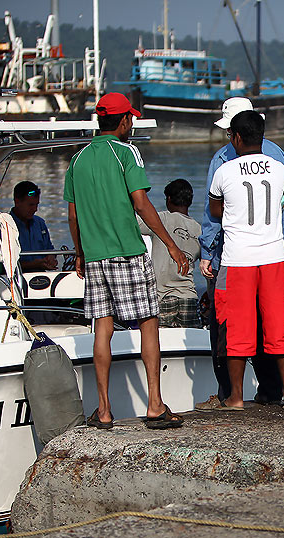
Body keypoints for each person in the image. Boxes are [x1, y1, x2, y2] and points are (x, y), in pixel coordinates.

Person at [64, 92, 189, 429]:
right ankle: (154, 405)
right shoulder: (127, 152)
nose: (131, 123)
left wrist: (79, 252)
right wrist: (171, 245)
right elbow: (142, 203)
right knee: (149, 322)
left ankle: (103, 410)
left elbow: (73, 217)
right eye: (129, 118)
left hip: (94, 258)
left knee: (102, 329)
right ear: (122, 122)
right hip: (126, 253)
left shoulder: (77, 161)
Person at [197, 97, 284, 407]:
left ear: (235, 134)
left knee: (234, 329)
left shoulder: (223, 165)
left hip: (236, 260)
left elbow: (214, 213)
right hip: (274, 257)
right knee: (279, 326)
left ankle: (233, 397)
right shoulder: (280, 163)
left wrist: (208, 252)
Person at [138, 178, 202, 328]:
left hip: (162, 297)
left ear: (168, 199)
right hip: (189, 297)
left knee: (161, 344)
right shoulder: (199, 230)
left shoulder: (161, 219)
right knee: (189, 345)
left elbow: (131, 222)